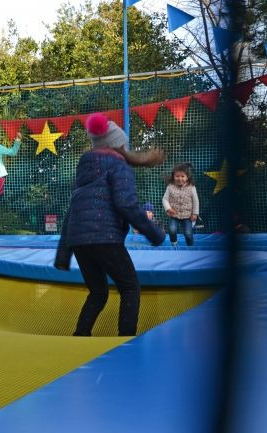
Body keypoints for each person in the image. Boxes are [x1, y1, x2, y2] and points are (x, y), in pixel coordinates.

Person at [54, 113, 165, 337]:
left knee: (98, 292)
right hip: (105, 239)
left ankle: (80, 335)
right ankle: (126, 339)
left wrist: (63, 255)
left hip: (80, 242)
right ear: (118, 146)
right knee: (130, 287)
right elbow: (127, 204)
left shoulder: (84, 169)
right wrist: (154, 233)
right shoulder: (119, 165)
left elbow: (72, 212)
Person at [162, 163, 199, 246]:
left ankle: (190, 246)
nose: (180, 178)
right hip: (174, 214)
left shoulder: (191, 187)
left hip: (187, 215)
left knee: (188, 233)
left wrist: (195, 214)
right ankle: (174, 243)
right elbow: (165, 199)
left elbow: (196, 201)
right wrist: (168, 208)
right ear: (173, 176)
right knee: (172, 230)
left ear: (187, 177)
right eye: (177, 176)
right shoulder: (170, 187)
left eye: (182, 176)